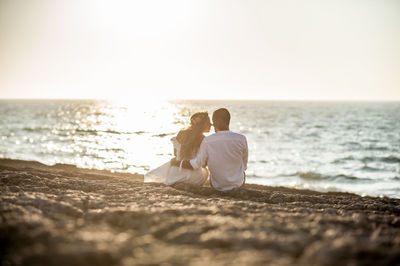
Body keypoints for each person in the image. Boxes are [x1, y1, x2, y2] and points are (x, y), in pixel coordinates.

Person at [171, 108, 248, 192]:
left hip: (217, 186)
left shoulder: (207, 141)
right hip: (238, 185)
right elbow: (244, 165)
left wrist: (178, 163)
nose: (212, 124)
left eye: (213, 122)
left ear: (217, 122)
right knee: (242, 172)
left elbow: (196, 163)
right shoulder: (242, 139)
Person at [144, 112, 211, 186]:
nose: (211, 124)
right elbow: (204, 163)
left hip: (176, 173)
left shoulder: (181, 133)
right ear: (202, 125)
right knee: (206, 171)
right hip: (192, 174)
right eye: (208, 123)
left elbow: (175, 153)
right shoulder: (204, 140)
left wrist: (180, 162)